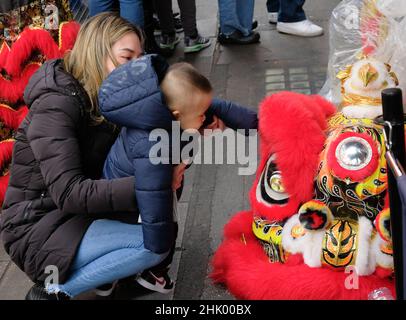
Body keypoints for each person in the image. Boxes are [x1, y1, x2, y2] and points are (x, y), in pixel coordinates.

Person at [0, 13, 172, 300]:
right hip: (35, 229)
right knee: (154, 242)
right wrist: (154, 183)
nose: (137, 69)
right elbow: (69, 192)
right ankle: (54, 291)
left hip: (73, 212)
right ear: (96, 54)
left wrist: (191, 121)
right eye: (126, 58)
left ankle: (114, 274)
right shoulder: (56, 105)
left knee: (160, 192)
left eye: (140, 59)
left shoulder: (107, 93)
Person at [98, 58, 258, 294]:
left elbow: (221, 108)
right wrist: (159, 249)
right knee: (162, 227)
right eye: (202, 114)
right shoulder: (151, 144)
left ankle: (115, 271)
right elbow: (154, 200)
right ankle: (150, 273)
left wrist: (259, 123)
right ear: (176, 115)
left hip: (136, 187)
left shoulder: (175, 105)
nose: (207, 118)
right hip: (128, 199)